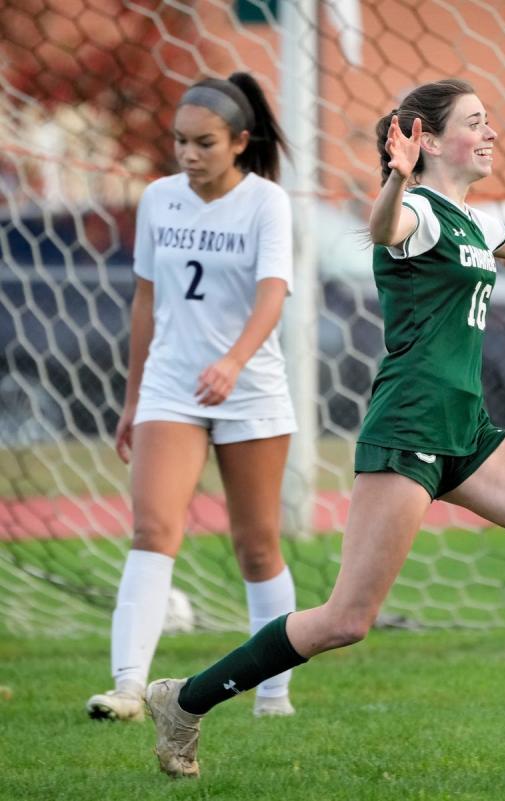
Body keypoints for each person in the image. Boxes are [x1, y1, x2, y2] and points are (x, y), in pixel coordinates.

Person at [143, 78, 505, 779]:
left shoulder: (470, 218)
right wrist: (397, 183)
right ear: (430, 141)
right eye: (475, 121)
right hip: (409, 426)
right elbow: (386, 229)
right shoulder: (420, 215)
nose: (491, 131)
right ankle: (184, 701)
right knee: (346, 618)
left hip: (466, 430)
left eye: (490, 119)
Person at [85, 72, 299, 723]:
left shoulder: (268, 203)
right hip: (170, 388)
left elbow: (273, 294)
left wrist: (234, 362)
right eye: (179, 141)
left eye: (203, 142)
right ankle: (127, 686)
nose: (188, 154)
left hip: (251, 389)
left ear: (239, 141)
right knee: (153, 527)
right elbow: (145, 300)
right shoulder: (158, 199)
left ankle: (274, 693)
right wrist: (131, 399)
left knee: (257, 544)